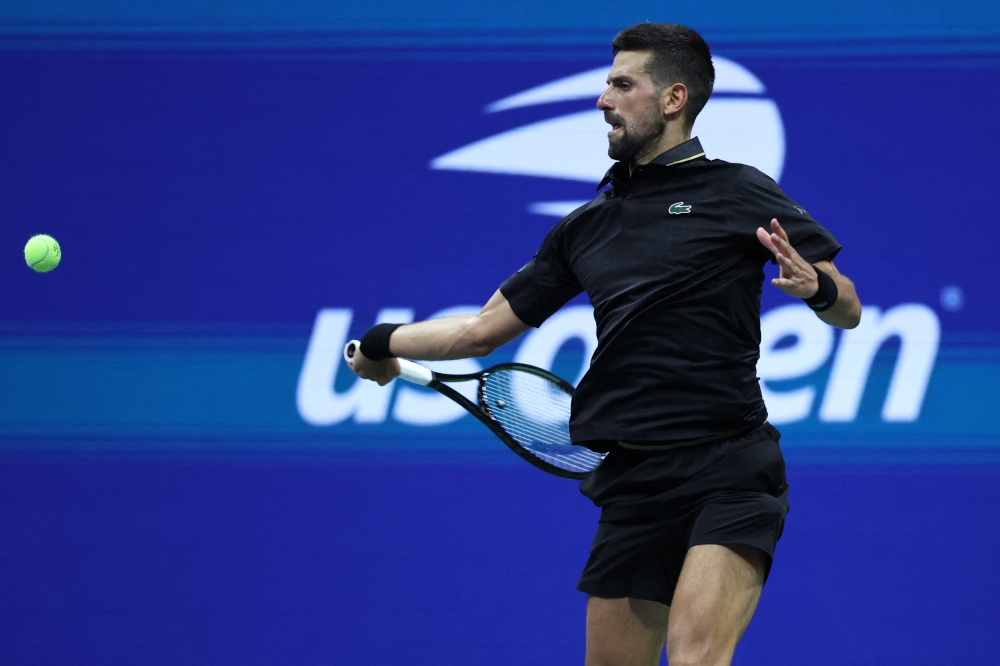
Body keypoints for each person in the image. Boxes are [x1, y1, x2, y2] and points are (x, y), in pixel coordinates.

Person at [349, 22, 861, 666]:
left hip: (730, 469)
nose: (602, 99)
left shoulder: (738, 191)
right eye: (605, 83)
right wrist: (381, 341)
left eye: (623, 84)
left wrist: (817, 286)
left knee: (698, 658)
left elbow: (848, 308)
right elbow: (479, 330)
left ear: (674, 99)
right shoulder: (585, 227)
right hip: (634, 480)